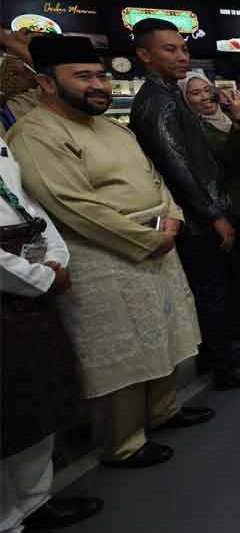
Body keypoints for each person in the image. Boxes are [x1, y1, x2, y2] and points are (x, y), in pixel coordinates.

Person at [9, 35, 213, 469]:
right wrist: (148, 239)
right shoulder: (35, 134)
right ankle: (124, 441)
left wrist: (171, 216)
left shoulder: (110, 127)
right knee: (119, 353)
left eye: (100, 74)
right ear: (46, 83)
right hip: (103, 255)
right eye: (83, 76)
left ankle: (163, 411)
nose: (98, 84)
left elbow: (155, 176)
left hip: (159, 239)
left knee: (163, 333)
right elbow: (72, 205)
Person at [128, 18, 240, 387]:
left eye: (183, 48)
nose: (182, 56)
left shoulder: (169, 95)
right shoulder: (157, 103)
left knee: (216, 288)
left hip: (206, 210)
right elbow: (179, 167)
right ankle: (226, 369)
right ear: (144, 55)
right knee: (210, 291)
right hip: (196, 218)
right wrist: (214, 215)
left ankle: (217, 353)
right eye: (170, 49)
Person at [0, 137, 103, 532]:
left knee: (34, 399)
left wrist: (55, 259)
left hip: (33, 284)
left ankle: (35, 501)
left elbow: (27, 203)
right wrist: (40, 277)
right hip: (17, 280)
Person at [182, 72, 240, 340]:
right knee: (237, 264)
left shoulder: (220, 120)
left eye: (206, 90)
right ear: (184, 99)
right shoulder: (193, 128)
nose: (204, 97)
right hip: (224, 201)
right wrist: (238, 121)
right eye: (195, 93)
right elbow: (226, 158)